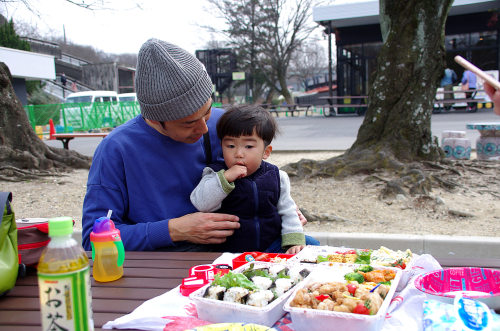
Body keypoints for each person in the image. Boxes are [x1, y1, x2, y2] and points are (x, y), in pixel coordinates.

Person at [81, 38, 240, 251]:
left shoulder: (224, 125)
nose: (203, 128)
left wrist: (275, 199)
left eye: (208, 112)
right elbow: (93, 239)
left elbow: (258, 171)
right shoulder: (117, 149)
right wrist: (173, 230)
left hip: (231, 253)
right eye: (189, 123)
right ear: (154, 119)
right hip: (162, 265)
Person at [190, 105, 312, 254]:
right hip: (230, 250)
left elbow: (288, 210)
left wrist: (294, 241)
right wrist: (225, 178)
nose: (238, 153)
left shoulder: (277, 176)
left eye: (248, 146)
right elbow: (201, 203)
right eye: (230, 145)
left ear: (266, 152)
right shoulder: (215, 174)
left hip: (270, 245)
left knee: (312, 244)